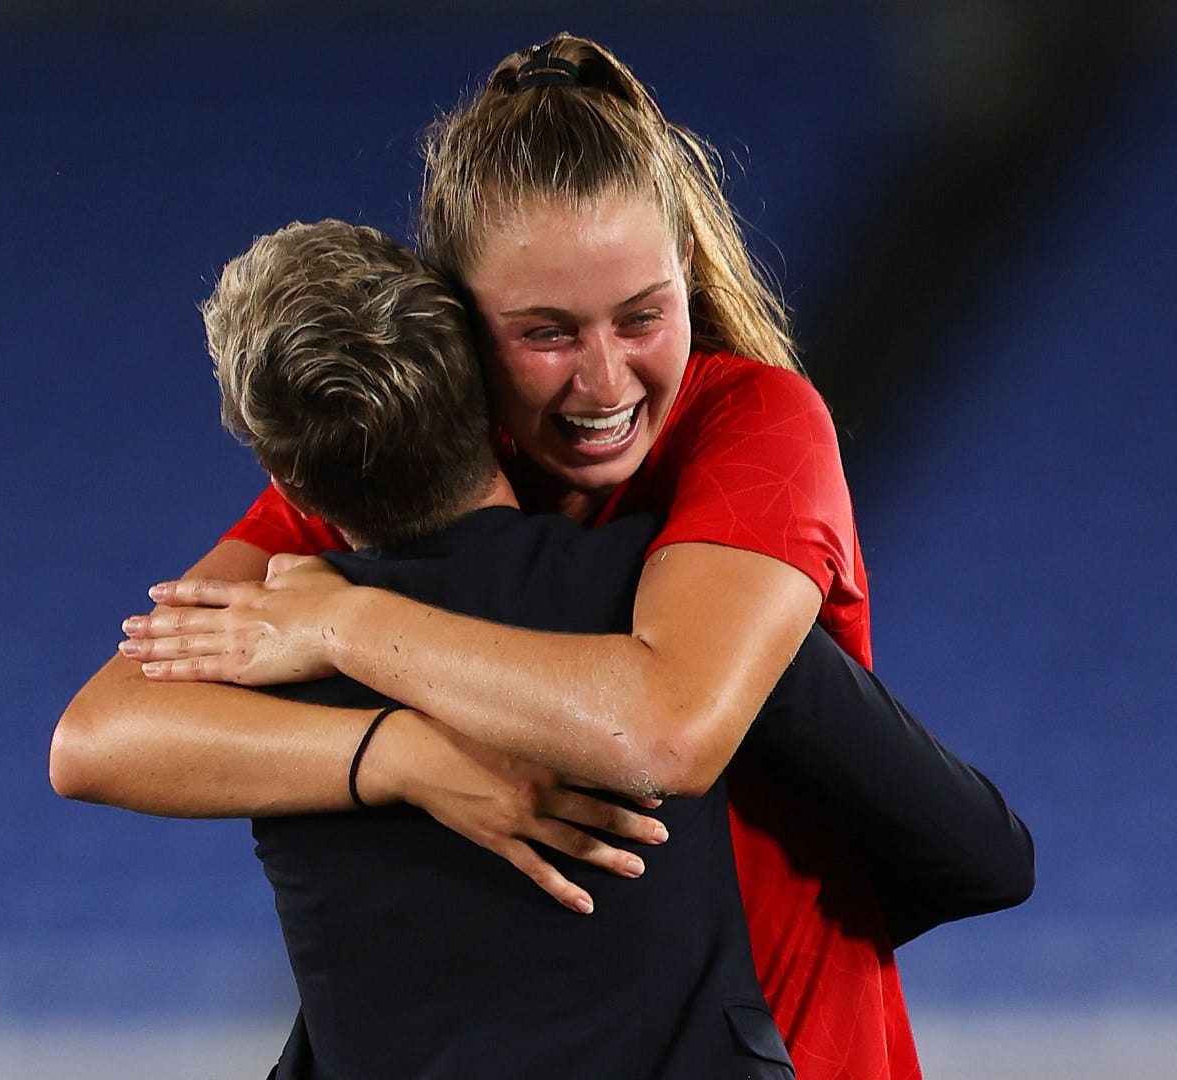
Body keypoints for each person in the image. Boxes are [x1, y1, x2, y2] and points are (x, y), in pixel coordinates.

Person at [86, 33, 1008, 1080]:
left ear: (688, 279)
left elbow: (666, 726)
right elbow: (105, 733)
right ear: (460, 332)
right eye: (547, 333)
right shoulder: (413, 457)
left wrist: (343, 624)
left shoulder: (753, 427)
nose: (606, 381)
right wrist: (399, 758)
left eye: (643, 318)